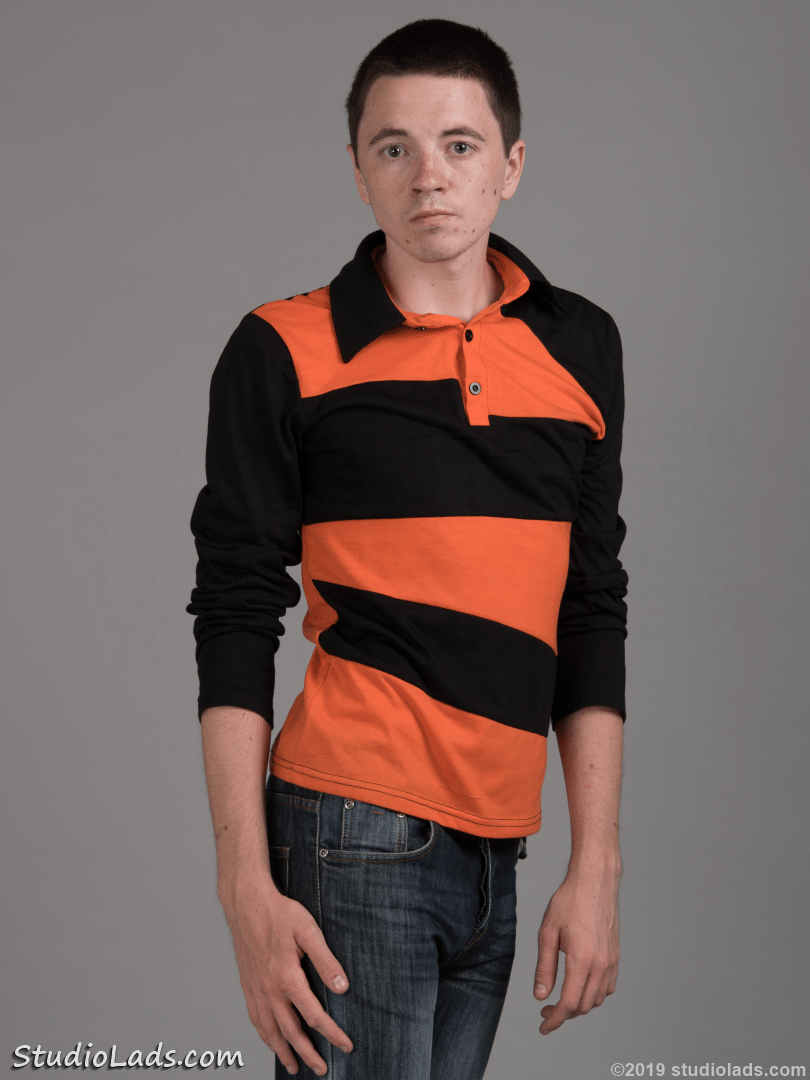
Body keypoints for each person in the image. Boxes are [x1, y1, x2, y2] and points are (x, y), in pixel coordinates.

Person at [187, 17, 628, 1080]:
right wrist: (244, 886)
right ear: (358, 170)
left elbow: (589, 603)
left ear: (511, 164)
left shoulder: (581, 345)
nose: (429, 175)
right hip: (351, 830)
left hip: (498, 850)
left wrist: (596, 864)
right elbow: (236, 608)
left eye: (459, 144)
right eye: (395, 147)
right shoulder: (282, 347)